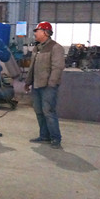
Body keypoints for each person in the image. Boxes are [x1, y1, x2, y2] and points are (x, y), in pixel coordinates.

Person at [25, 21, 65, 149]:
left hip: (48, 86)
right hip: (36, 85)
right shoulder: (37, 48)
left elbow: (58, 67)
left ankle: (55, 138)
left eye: (37, 31)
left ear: (45, 33)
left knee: (48, 112)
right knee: (39, 111)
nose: (35, 33)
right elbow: (32, 67)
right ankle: (44, 136)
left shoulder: (55, 47)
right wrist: (28, 82)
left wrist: (51, 84)